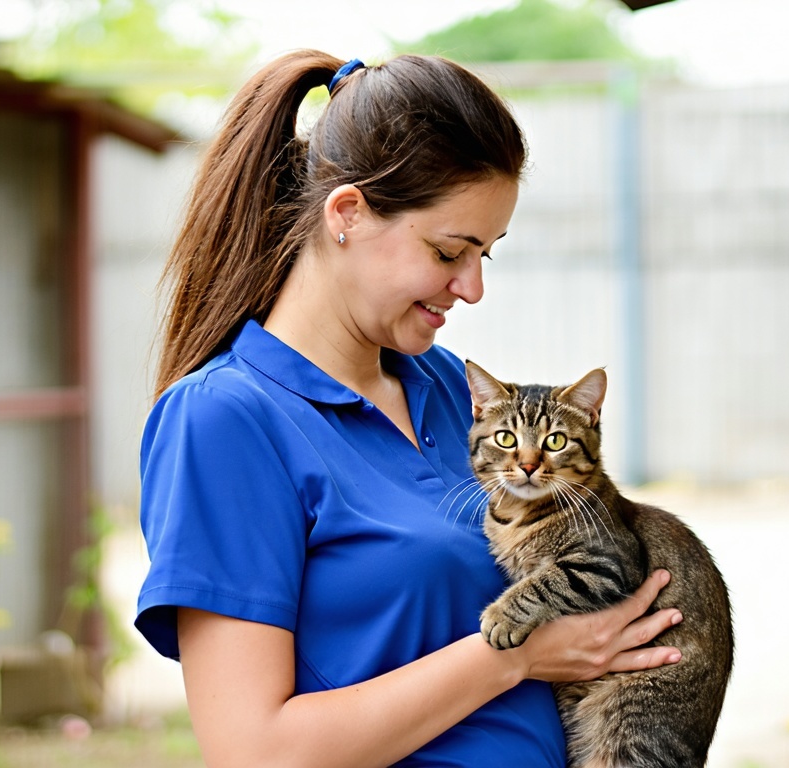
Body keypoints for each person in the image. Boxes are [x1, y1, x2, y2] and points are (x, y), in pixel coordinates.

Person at [135, 50, 683, 768]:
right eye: (451, 250)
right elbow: (254, 752)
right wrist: (514, 658)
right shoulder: (225, 420)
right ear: (348, 215)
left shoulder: (456, 392)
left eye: (488, 252)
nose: (473, 287)